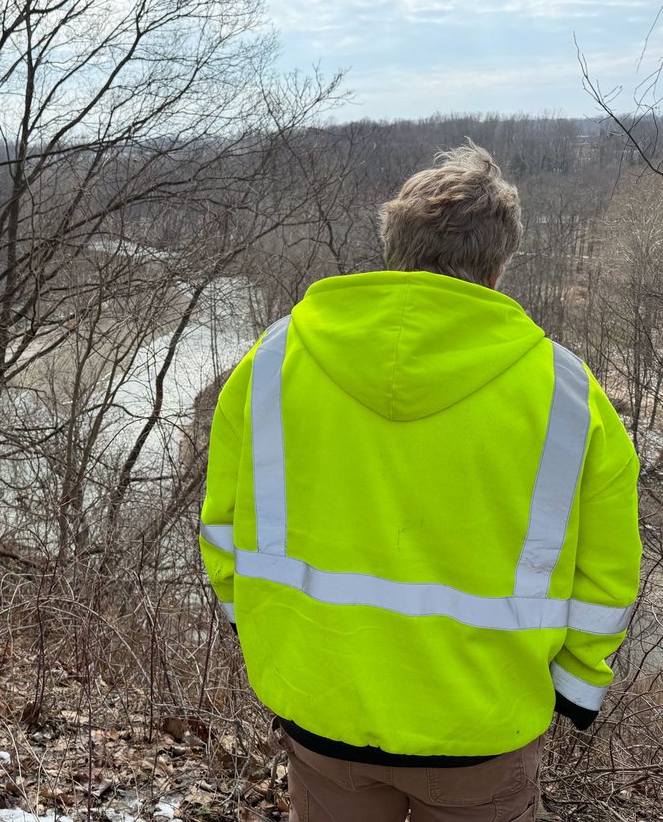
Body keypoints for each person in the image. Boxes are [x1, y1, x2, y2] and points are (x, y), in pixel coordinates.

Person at [200, 143, 641, 820]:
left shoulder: (273, 360)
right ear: (499, 262)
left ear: (392, 246)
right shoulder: (566, 394)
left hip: (321, 709)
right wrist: (575, 687)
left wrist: (259, 630)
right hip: (483, 727)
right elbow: (608, 570)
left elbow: (224, 526)